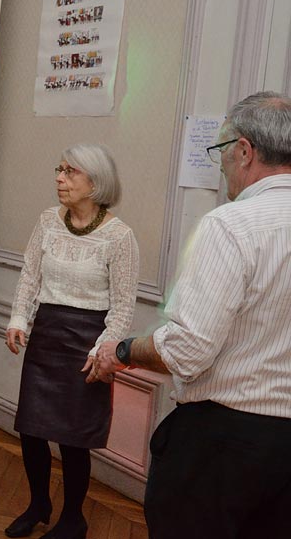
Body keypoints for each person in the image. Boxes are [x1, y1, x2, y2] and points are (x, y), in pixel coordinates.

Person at [92, 92, 291, 539]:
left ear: (245, 151)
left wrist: (123, 349)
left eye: (222, 151)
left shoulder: (231, 225)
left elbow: (188, 350)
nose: (221, 166)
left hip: (224, 446)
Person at [4, 143, 138, 539]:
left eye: (71, 172)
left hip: (87, 344)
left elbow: (123, 303)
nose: (60, 178)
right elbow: (30, 275)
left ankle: (73, 518)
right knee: (31, 428)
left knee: (74, 439)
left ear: (95, 183)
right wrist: (17, 319)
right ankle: (38, 504)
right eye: (59, 169)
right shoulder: (47, 221)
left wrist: (104, 349)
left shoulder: (119, 236)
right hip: (47, 333)